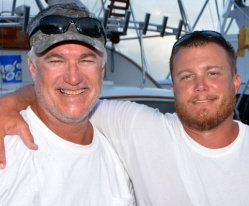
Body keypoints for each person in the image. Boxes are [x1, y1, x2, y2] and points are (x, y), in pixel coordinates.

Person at [0, 30, 248, 205]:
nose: (200, 86)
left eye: (213, 73)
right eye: (186, 76)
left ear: (236, 83)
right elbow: (69, 97)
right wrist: (9, 104)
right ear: (173, 89)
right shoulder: (139, 127)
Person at [0, 3, 136, 205]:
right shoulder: (7, 153)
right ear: (33, 68)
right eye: (56, 61)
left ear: (102, 70)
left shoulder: (118, 157)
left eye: (86, 60)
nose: (73, 78)